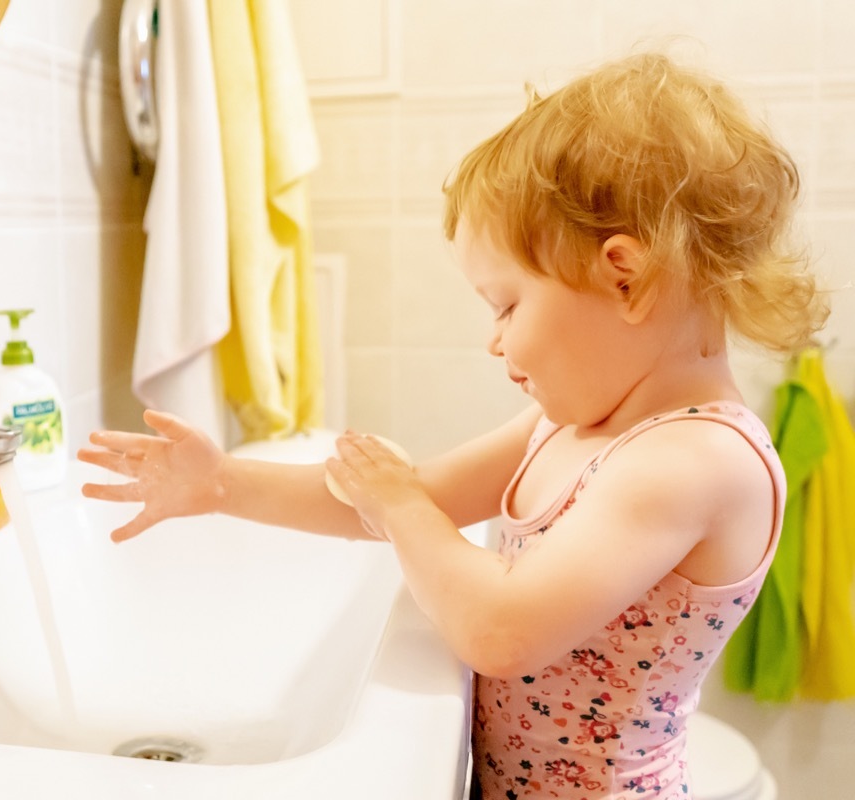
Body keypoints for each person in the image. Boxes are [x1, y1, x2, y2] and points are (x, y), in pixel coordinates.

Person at [78, 52, 829, 799]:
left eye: (506, 305)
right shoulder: (568, 428)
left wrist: (401, 505)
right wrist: (220, 483)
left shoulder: (693, 460)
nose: (494, 340)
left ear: (624, 278)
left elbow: (499, 630)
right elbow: (399, 502)